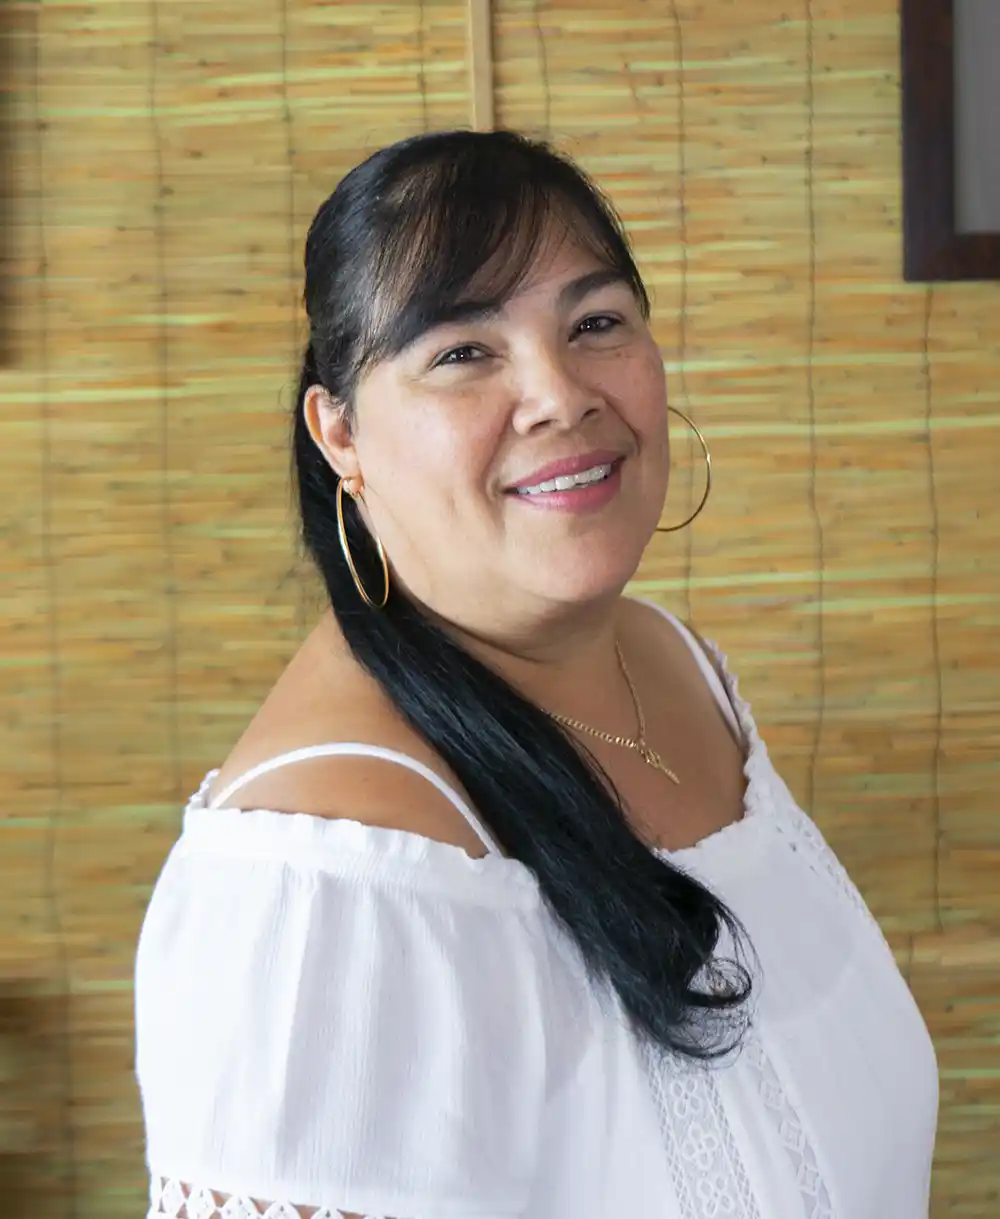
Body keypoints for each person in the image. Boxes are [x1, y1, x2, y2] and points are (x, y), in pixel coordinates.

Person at [133, 130, 939, 1219]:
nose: (559, 393)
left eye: (595, 324)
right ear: (340, 434)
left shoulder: (677, 664)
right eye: (463, 352)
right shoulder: (322, 877)